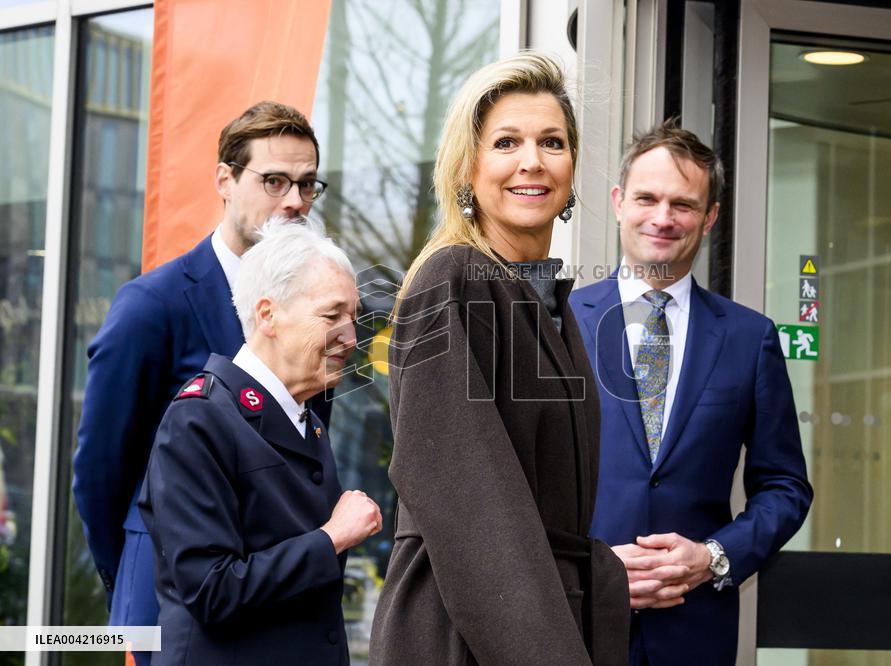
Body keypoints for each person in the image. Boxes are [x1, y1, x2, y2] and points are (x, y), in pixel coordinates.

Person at [368, 53, 629, 665]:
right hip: (466, 630)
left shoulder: (546, 301)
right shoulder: (452, 279)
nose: (532, 161)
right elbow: (468, 502)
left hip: (539, 620)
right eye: (506, 142)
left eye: (553, 142)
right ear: (468, 168)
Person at [72, 101, 332, 665]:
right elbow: (100, 470)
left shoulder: (314, 310)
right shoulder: (152, 305)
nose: (294, 201)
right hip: (169, 604)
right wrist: (133, 587)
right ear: (225, 180)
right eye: (274, 181)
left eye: (308, 184)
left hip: (278, 600)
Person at [568, 119, 812, 665]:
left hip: (694, 634)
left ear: (710, 217)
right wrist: (591, 569)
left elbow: (786, 486)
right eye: (647, 198)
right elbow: (520, 485)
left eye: (682, 204)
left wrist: (714, 556)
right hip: (574, 625)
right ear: (617, 202)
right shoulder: (557, 324)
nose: (662, 218)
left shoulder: (750, 339)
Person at [139, 221, 380, 664]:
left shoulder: (304, 415)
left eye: (353, 316)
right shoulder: (200, 418)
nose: (350, 336)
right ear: (268, 315)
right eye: (331, 316)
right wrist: (332, 539)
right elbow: (211, 591)